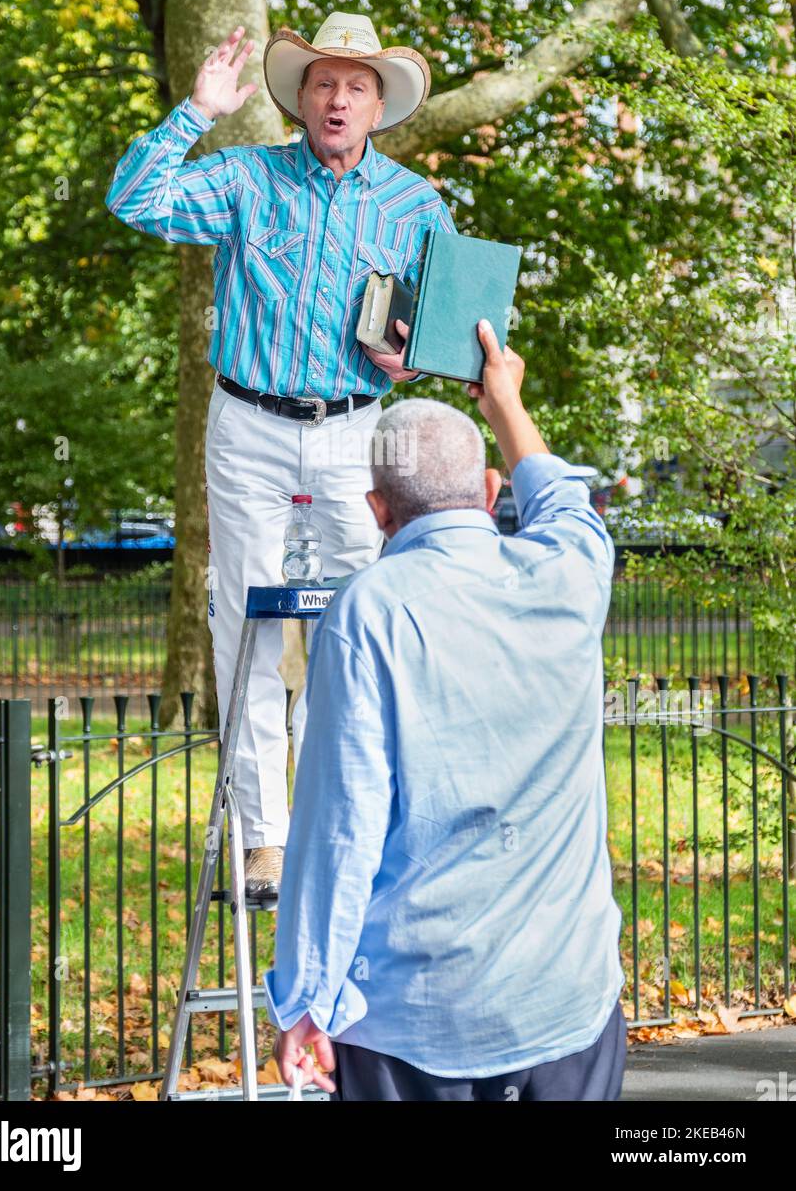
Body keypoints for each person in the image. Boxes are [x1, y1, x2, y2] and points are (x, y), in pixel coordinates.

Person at [105, 12, 456, 899]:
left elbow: (454, 332)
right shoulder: (245, 177)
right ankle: (264, 837)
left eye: (356, 86)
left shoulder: (417, 206)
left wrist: (414, 354)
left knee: (366, 626)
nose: (338, 98)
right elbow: (134, 202)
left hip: (352, 434)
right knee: (248, 628)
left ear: (380, 106)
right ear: (301, 99)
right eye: (323, 83)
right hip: (249, 428)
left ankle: (363, 815)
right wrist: (194, 115)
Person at [264, 320, 626, 1101]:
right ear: (491, 491)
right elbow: (563, 497)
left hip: (416, 1024)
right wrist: (505, 402)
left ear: (375, 510)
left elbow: (342, 824)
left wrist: (307, 1001)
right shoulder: (568, 572)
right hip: (570, 1003)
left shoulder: (371, 612)